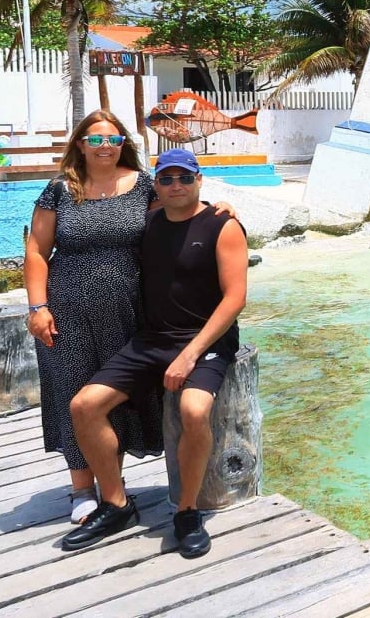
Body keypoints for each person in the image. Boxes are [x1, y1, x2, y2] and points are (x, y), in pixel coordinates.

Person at [24, 111, 236, 526]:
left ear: (124, 143)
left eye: (114, 138)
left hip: (130, 310)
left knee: (114, 399)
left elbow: (181, 212)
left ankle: (116, 489)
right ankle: (83, 488)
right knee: (74, 392)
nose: (106, 146)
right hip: (65, 310)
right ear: (80, 144)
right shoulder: (59, 190)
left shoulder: (143, 184)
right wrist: (37, 307)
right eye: (96, 139)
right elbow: (36, 250)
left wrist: (218, 209)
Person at [64, 148, 248, 557]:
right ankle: (115, 503)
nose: (176, 186)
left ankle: (187, 511)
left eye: (185, 178)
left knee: (194, 411)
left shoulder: (223, 225)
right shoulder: (148, 222)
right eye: (166, 179)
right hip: (153, 340)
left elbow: (235, 299)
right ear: (157, 186)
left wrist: (190, 354)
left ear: (199, 180)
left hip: (206, 341)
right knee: (84, 406)